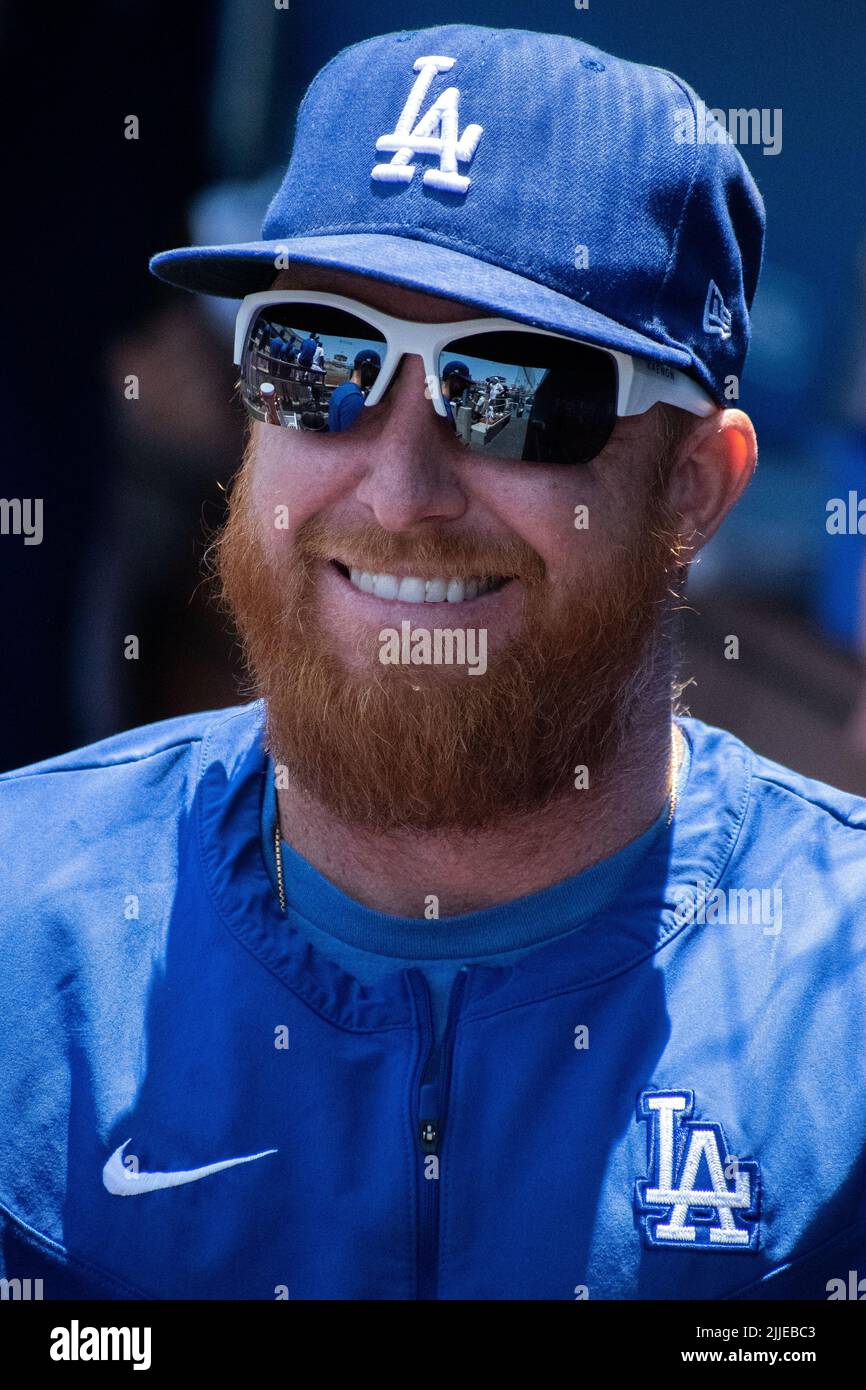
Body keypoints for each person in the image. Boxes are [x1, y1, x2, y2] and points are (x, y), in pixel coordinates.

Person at [2, 25, 865, 1303]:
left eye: (515, 390)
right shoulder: (23, 922)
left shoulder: (836, 1003)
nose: (399, 491)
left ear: (693, 486)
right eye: (314, 362)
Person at [327, 348, 382, 432]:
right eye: (375, 372)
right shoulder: (354, 398)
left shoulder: (342, 387)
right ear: (364, 366)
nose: (375, 377)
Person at [440, 358, 472, 425]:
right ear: (452, 378)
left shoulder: (439, 399)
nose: (466, 387)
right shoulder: (444, 408)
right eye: (463, 382)